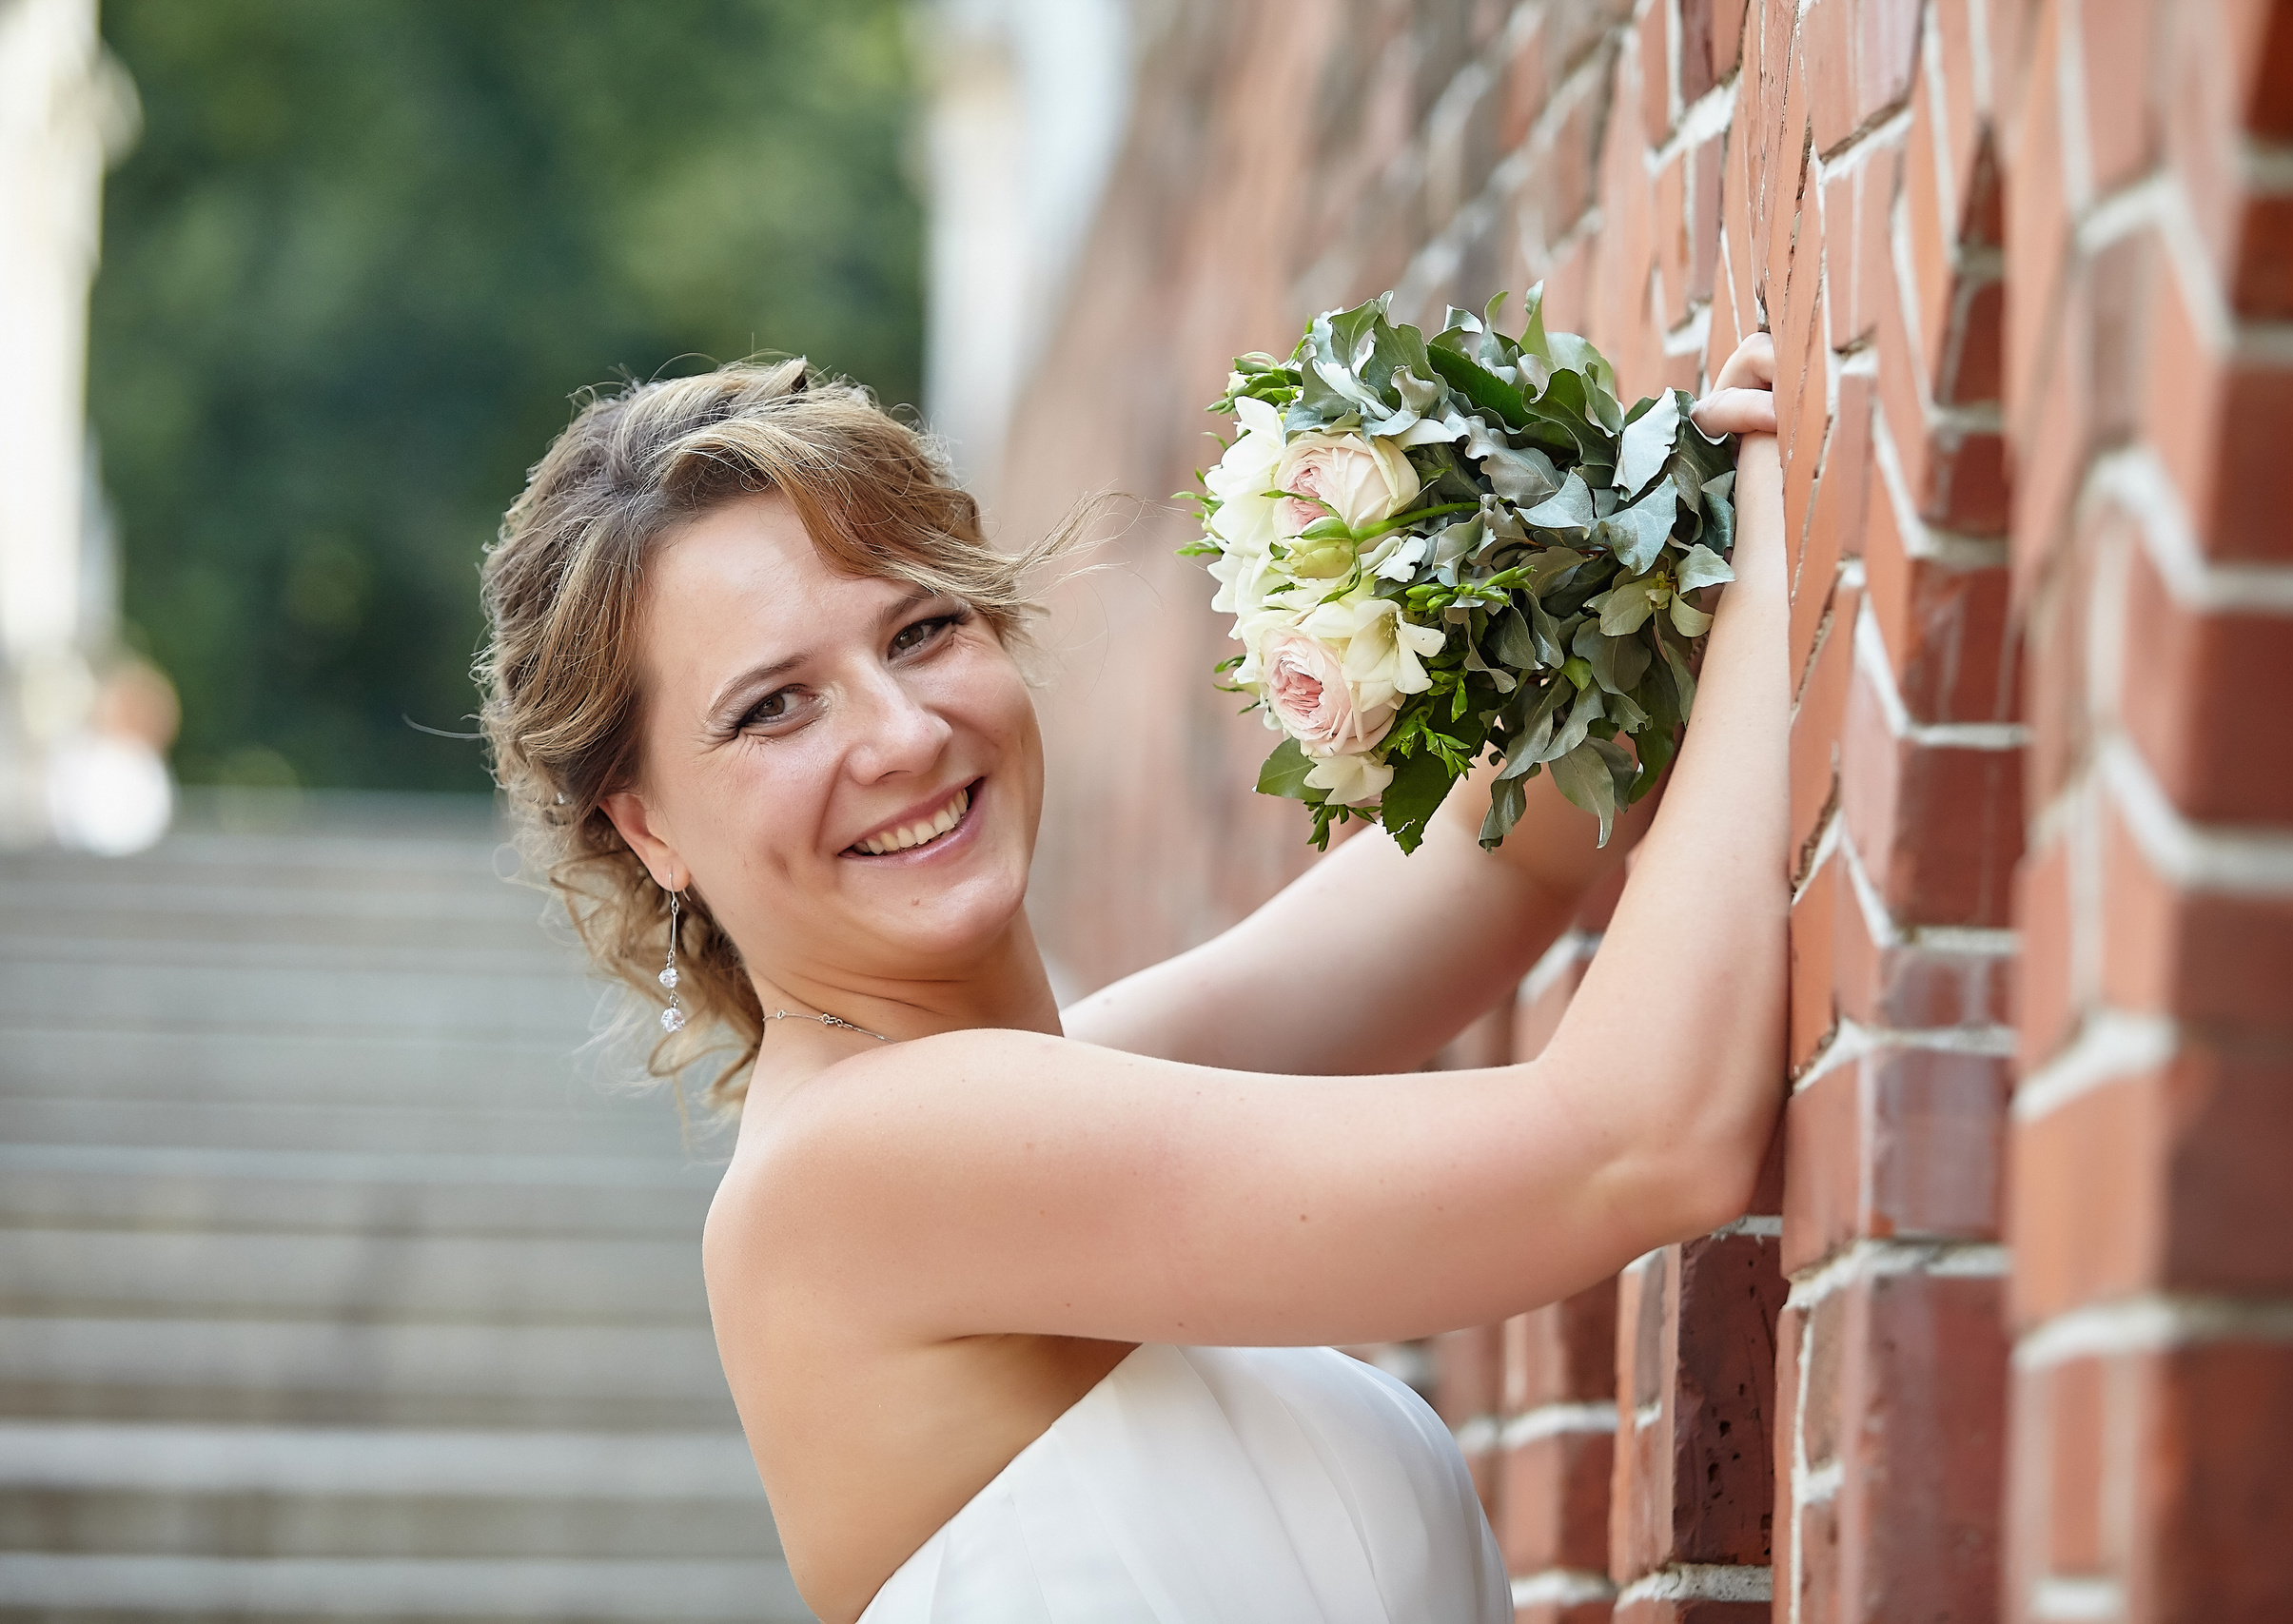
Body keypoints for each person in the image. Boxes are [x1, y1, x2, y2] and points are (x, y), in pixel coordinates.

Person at [478, 331, 1787, 1623]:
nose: (903, 732)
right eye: (775, 707)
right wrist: (1787, 547)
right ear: (645, 826)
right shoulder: (867, 1163)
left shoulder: (1048, 1099)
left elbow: (1492, 865)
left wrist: (1667, 518)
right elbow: (1641, 1145)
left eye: (923, 629)